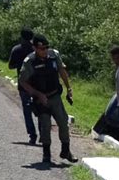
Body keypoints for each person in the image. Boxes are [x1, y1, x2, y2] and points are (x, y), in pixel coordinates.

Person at [19, 34, 77, 164]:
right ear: (35, 48)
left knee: (63, 122)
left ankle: (66, 150)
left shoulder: (54, 55)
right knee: (45, 126)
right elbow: (23, 82)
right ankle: (46, 154)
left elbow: (62, 71)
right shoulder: (29, 61)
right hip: (41, 100)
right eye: (41, 48)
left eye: (46, 47)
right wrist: (38, 94)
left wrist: (69, 88)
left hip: (55, 95)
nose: (44, 51)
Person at [8, 27, 40, 144]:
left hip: (23, 84)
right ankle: (43, 133)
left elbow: (10, 66)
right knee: (41, 108)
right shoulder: (36, 49)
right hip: (38, 84)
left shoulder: (16, 49)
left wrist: (20, 64)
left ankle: (32, 135)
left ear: (21, 37)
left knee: (27, 111)